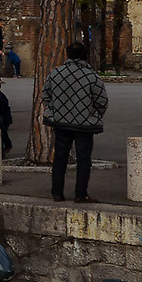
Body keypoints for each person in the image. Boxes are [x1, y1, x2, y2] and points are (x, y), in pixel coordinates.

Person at [42, 41, 108, 202]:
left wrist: (55, 111)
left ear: (68, 55)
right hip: (84, 125)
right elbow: (102, 101)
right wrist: (92, 115)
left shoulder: (55, 73)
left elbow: (46, 96)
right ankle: (80, 194)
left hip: (61, 123)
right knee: (84, 159)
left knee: (60, 158)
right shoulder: (91, 76)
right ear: (85, 56)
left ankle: (57, 193)